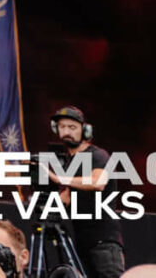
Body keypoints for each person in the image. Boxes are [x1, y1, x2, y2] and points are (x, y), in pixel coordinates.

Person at [35, 107, 128, 278]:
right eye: (62, 127)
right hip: (80, 241)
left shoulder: (98, 155)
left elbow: (98, 182)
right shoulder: (67, 162)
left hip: (103, 242)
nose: (66, 132)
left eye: (72, 127)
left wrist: (59, 179)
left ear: (85, 130)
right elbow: (66, 198)